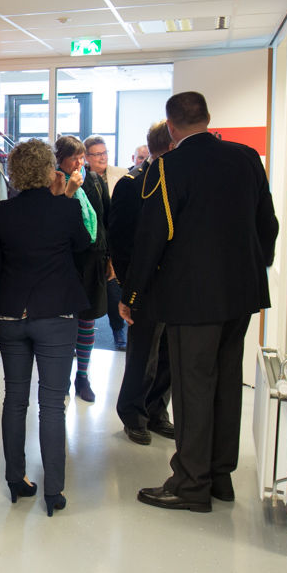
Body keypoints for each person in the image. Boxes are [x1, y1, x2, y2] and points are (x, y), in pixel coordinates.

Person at [125, 92, 279, 513]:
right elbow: (267, 224)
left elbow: (152, 237)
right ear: (208, 118)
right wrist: (254, 266)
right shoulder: (247, 158)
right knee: (227, 382)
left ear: (172, 128)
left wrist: (134, 294)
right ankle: (220, 476)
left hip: (191, 299)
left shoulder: (168, 167)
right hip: (241, 294)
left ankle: (191, 483)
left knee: (193, 387)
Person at [0, 138, 90, 515]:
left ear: (14, 173)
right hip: (56, 316)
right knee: (51, 404)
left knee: (15, 399)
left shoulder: (3, 212)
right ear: (49, 170)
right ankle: (54, 491)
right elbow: (84, 249)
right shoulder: (66, 209)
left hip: (11, 316)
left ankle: (16, 480)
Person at [110, 121, 176, 445]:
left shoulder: (177, 178)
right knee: (142, 355)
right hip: (144, 283)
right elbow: (120, 241)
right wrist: (129, 287)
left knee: (168, 354)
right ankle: (133, 414)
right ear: (170, 145)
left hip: (174, 282)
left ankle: (156, 411)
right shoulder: (132, 184)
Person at [55, 137, 108, 403]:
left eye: (81, 157)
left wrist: (109, 257)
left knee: (88, 321)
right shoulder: (54, 181)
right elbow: (53, 221)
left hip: (92, 260)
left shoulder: (93, 180)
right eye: (73, 157)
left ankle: (83, 377)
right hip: (67, 263)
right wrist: (68, 190)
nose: (78, 163)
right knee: (65, 324)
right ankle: (62, 378)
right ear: (60, 159)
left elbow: (105, 219)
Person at [86, 137, 130, 350]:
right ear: (87, 157)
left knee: (114, 291)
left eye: (104, 153)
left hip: (115, 239)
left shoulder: (121, 174)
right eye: (97, 154)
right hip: (91, 243)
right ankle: (83, 335)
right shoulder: (82, 178)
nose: (102, 158)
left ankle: (118, 330)